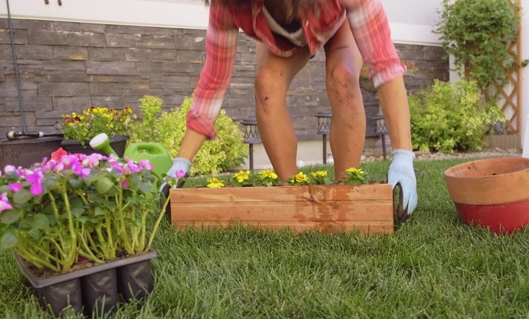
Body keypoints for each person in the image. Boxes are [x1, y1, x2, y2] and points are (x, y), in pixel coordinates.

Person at [167, 0, 418, 218]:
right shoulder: (229, 6)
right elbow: (213, 83)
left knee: (342, 78)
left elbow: (385, 67)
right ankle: (294, 193)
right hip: (281, 42)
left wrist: (403, 158)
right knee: (266, 84)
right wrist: (180, 166)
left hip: (337, 23)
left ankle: (345, 190)